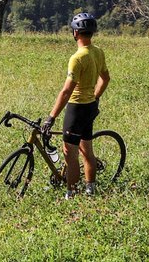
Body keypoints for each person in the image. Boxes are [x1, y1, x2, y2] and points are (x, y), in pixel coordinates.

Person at [39, 12, 110, 198]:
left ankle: (71, 193)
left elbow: (66, 92)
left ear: (76, 33)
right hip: (90, 107)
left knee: (70, 156)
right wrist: (95, 96)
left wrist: (51, 117)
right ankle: (90, 188)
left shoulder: (77, 58)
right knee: (87, 150)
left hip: (76, 108)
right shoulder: (98, 52)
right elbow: (105, 78)